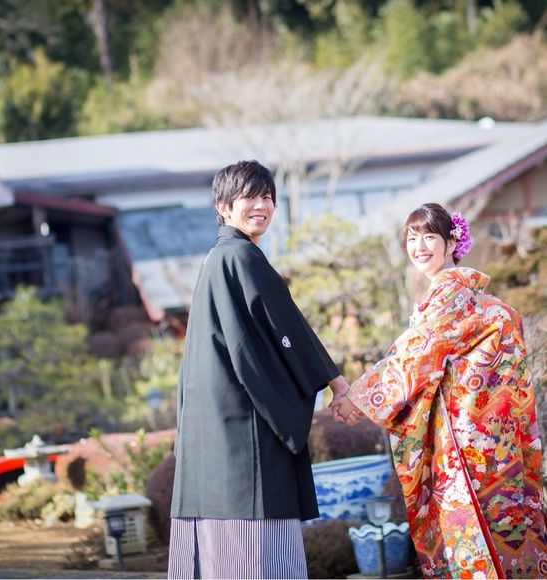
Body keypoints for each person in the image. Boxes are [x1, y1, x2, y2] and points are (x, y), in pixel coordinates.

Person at [331, 203, 547, 579]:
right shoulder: (475, 298)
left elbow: (415, 353)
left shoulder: (452, 295)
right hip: (496, 445)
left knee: (472, 543)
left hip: (467, 449)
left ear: (451, 242)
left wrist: (358, 397)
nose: (419, 247)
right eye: (411, 238)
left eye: (429, 237)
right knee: (506, 538)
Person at [168, 160, 350, 579]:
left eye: (267, 197)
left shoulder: (217, 259)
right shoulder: (241, 257)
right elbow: (286, 328)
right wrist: (335, 383)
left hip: (214, 427)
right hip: (243, 426)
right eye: (249, 197)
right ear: (222, 207)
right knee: (259, 555)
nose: (262, 206)